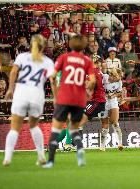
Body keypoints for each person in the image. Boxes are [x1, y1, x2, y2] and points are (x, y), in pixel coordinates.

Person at [43, 35, 95, 168]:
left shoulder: (63, 58)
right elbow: (92, 81)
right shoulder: (87, 60)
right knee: (73, 128)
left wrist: (55, 95)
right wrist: (88, 92)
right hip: (79, 99)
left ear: (70, 45)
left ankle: (50, 161)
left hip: (64, 98)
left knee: (56, 129)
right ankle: (79, 151)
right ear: (83, 46)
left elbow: (52, 77)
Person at [2, 34, 55, 166]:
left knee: (14, 127)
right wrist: (57, 97)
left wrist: (10, 89)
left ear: (31, 45)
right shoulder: (48, 61)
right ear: (43, 47)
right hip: (37, 95)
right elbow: (53, 80)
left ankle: (7, 158)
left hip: (21, 93)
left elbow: (13, 72)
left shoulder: (22, 57)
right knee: (34, 126)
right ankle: (41, 156)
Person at [99, 67, 123, 151]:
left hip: (113, 101)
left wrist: (112, 96)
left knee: (115, 122)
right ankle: (102, 146)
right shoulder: (103, 77)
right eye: (116, 78)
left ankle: (120, 143)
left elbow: (119, 92)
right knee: (104, 124)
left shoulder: (119, 81)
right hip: (102, 101)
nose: (117, 80)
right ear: (111, 75)